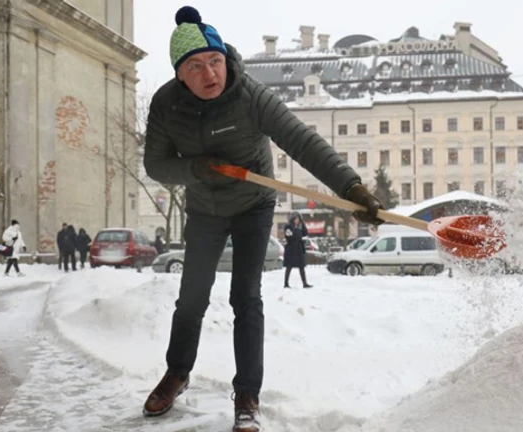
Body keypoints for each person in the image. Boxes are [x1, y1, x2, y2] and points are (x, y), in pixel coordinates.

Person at [140, 6, 383, 432]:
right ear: (180, 74)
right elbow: (157, 166)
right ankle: (177, 373)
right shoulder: (165, 105)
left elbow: (302, 140)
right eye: (195, 66)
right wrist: (198, 168)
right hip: (205, 209)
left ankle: (248, 394)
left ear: (225, 60)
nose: (209, 73)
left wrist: (351, 187)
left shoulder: (250, 96)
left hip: (254, 205)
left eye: (214, 61)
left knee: (246, 299)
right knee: (191, 299)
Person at [283, 212, 312, 289]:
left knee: (301, 266)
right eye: (296, 218)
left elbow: (305, 233)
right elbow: (289, 237)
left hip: (299, 249)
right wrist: (297, 236)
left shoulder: (300, 227)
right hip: (291, 249)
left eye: (299, 219)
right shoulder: (288, 227)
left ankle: (305, 283)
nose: (297, 220)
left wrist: (302, 223)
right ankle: (286, 283)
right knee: (289, 266)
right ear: (292, 219)